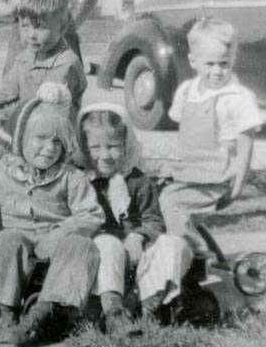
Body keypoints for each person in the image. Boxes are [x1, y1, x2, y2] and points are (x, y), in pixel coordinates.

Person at [0, 83, 104, 347]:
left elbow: (91, 214)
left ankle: (40, 315)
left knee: (83, 246)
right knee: (7, 239)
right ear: (20, 139)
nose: (49, 148)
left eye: (57, 142)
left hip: (56, 249)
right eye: (40, 139)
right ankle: (8, 314)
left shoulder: (70, 177)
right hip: (19, 251)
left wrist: (61, 232)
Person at [77, 103, 192, 331]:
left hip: (136, 254)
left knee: (176, 245)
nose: (105, 156)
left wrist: (139, 236)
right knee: (107, 244)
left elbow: (154, 220)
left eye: (113, 147)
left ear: (126, 145)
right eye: (96, 148)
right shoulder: (80, 181)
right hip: (103, 258)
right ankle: (114, 311)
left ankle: (146, 307)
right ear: (83, 147)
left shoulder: (137, 180)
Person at [159, 17, 262, 257]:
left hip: (218, 175)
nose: (217, 71)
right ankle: (173, 249)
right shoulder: (187, 92)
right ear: (193, 62)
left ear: (233, 60)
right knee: (153, 198)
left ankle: (196, 255)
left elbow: (246, 144)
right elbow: (185, 136)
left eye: (224, 64)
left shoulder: (238, 97)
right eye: (210, 64)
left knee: (172, 203)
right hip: (190, 171)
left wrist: (238, 183)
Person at [0, 0, 88, 131]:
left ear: (63, 28)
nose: (31, 35)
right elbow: (8, 91)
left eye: (41, 27)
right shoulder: (25, 58)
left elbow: (43, 107)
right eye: (25, 26)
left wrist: (0, 114)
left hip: (54, 138)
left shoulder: (66, 64)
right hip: (27, 131)